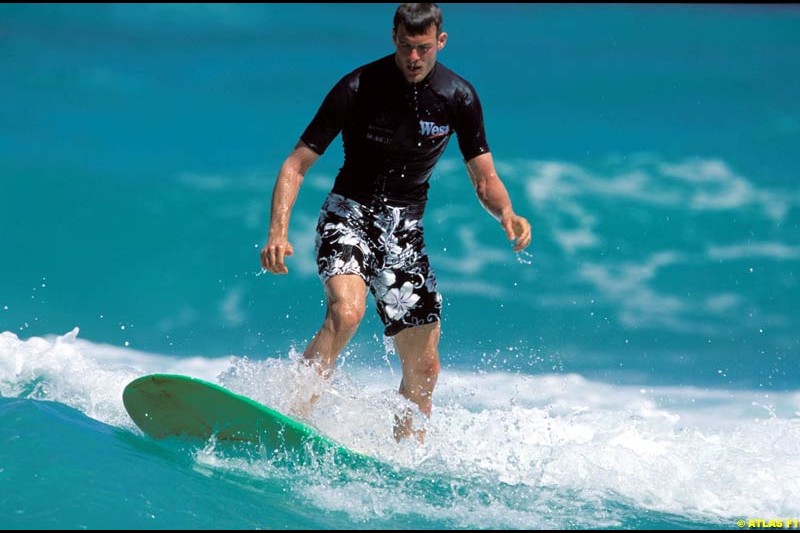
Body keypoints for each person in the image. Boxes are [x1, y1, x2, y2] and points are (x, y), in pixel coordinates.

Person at [260, 3, 531, 442]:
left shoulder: (458, 97)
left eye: (423, 48)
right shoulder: (357, 87)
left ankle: (405, 456)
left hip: (403, 232)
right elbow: (296, 164)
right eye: (406, 46)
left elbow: (485, 178)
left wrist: (507, 213)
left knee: (425, 366)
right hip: (348, 213)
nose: (413, 58)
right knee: (347, 313)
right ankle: (290, 416)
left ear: (440, 41)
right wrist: (278, 231)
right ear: (393, 37)